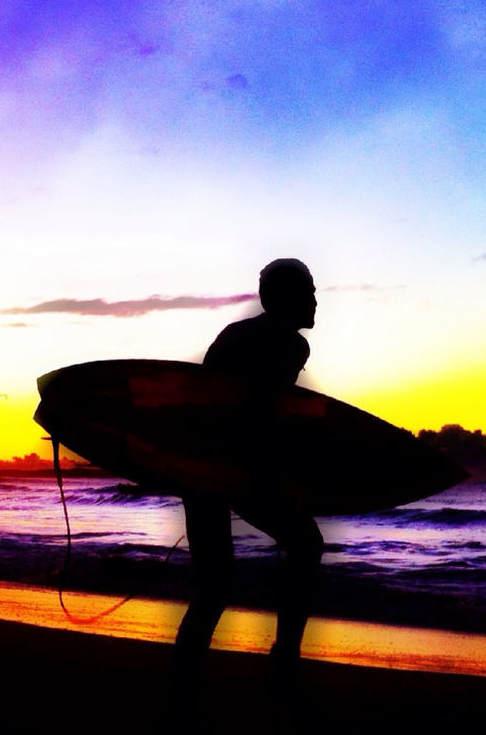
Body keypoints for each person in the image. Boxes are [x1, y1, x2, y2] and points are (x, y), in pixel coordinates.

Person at [173, 258, 324, 696]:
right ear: (283, 298)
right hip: (234, 466)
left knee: (214, 585)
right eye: (309, 291)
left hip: (199, 466)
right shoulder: (289, 344)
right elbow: (262, 419)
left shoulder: (236, 334)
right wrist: (285, 480)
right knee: (306, 543)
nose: (316, 300)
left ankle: (182, 687)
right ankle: (285, 663)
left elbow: (210, 406)